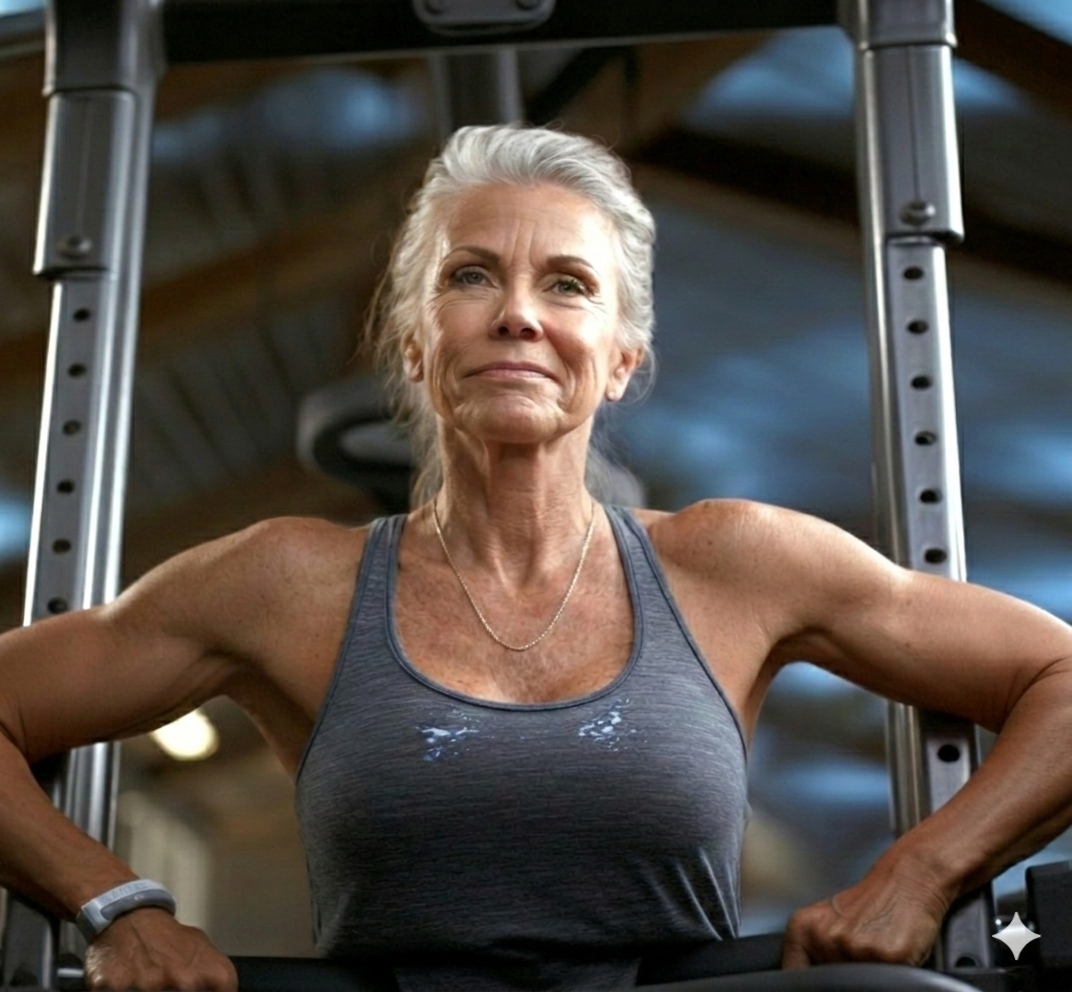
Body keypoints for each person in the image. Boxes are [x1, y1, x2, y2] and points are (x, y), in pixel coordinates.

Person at [1, 124, 1071, 992]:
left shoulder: (735, 562)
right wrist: (111, 903)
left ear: (620, 356)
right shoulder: (284, 581)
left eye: (567, 285)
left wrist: (922, 867)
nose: (517, 312)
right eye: (472, 276)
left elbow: (1060, 678)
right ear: (415, 342)